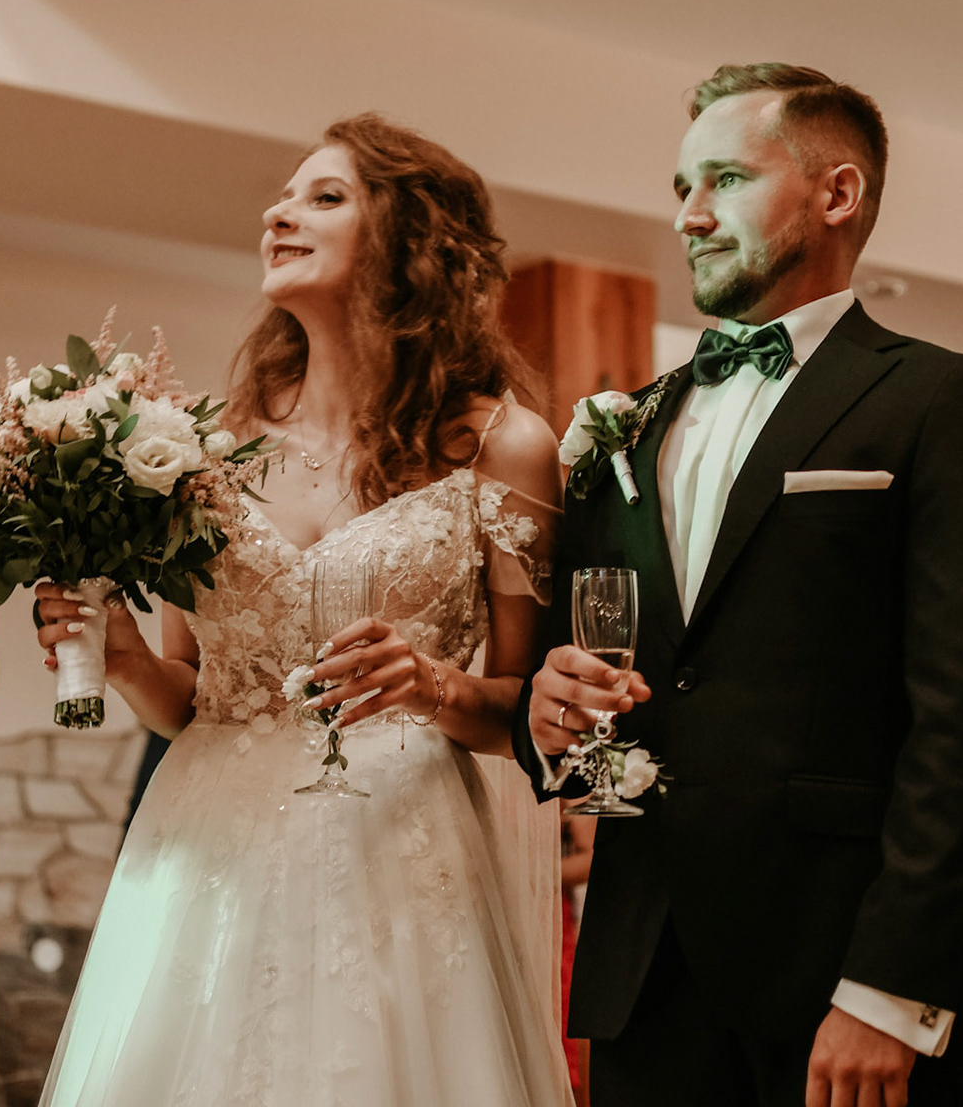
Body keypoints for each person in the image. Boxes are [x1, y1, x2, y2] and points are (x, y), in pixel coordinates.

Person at [516, 63, 963, 1107]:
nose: (689, 215)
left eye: (725, 180)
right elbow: (587, 661)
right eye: (682, 187)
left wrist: (892, 988)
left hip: (839, 979)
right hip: (644, 981)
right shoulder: (628, 423)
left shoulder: (940, 399)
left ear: (837, 193)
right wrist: (545, 707)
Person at [33, 114, 572, 1106]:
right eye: (281, 199)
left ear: (409, 242)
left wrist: (432, 685)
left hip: (398, 848)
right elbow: (188, 698)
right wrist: (125, 660)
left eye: (324, 197)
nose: (279, 215)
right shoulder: (207, 448)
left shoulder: (503, 446)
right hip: (208, 856)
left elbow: (524, 715)